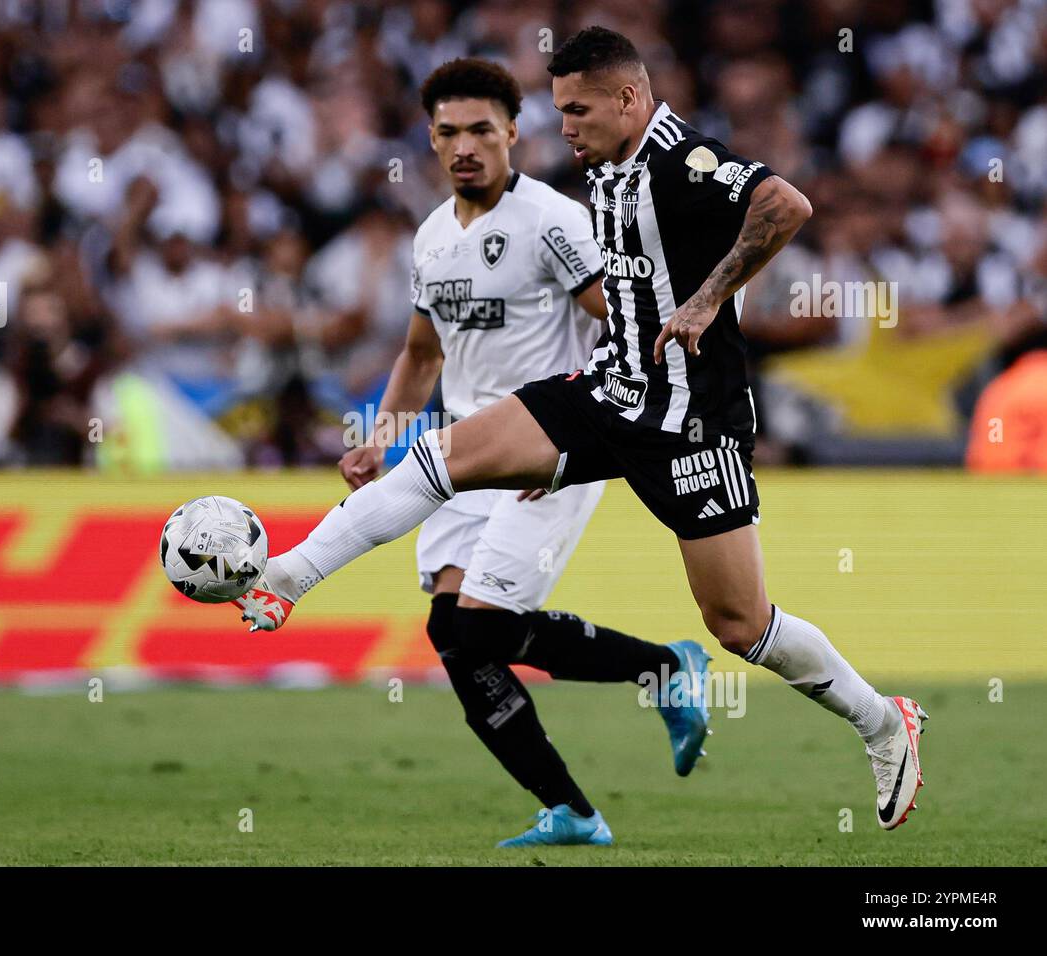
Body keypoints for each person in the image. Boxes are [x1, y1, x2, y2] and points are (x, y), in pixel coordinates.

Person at [232, 28, 927, 842]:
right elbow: (449, 346)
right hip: (607, 392)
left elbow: (786, 204)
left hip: (689, 424)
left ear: (629, 99)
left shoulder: (681, 159)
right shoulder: (599, 169)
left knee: (740, 626)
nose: (565, 127)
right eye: (559, 109)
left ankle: (883, 722)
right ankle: (288, 574)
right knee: (440, 460)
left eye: (577, 109)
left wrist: (708, 300)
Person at [334, 58, 714, 848]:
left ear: (514, 132)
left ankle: (665, 670)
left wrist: (572, 438)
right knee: (458, 639)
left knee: (480, 632)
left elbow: (623, 323)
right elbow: (421, 355)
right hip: (461, 459)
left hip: (548, 447)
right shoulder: (433, 236)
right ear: (430, 140)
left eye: (481, 129)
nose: (465, 146)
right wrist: (377, 441)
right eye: (448, 132)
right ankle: (574, 808)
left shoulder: (552, 220)